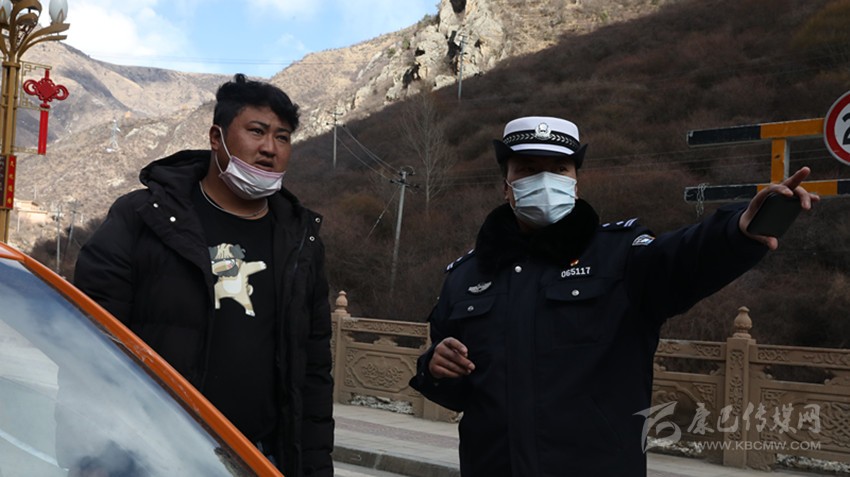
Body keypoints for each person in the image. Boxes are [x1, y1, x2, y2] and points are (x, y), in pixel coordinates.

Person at [409, 116, 818, 477]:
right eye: (528, 170)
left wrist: (738, 230)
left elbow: (684, 258)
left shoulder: (620, 257)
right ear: (506, 187)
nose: (545, 181)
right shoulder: (466, 276)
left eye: (558, 169)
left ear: (575, 182)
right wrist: (435, 368)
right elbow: (455, 389)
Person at [74, 74, 334, 476]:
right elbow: (89, 344)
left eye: (282, 137)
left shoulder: (301, 243)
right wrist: (89, 453)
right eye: (256, 131)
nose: (270, 148)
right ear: (217, 137)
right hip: (147, 454)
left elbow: (313, 372)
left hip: (255, 458)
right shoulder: (143, 218)